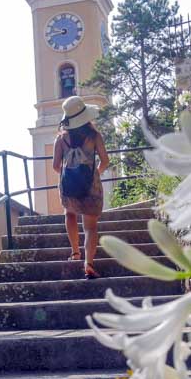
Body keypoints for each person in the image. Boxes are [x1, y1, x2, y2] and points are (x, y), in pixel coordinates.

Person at [52, 95, 111, 279]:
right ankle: (89, 263)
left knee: (69, 214)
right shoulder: (94, 136)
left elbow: (55, 166)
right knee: (90, 226)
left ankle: (75, 252)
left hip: (68, 185)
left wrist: (71, 173)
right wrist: (95, 175)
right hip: (91, 187)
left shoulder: (61, 140)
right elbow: (105, 161)